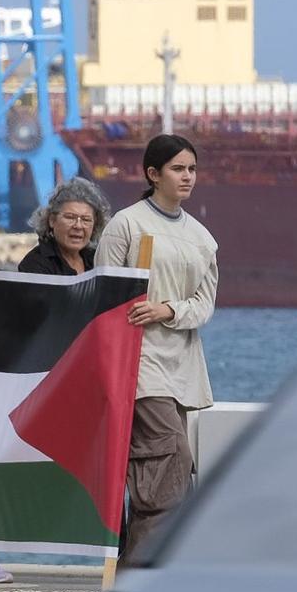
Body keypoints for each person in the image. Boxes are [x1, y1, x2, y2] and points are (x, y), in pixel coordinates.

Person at [0, 176, 116, 586]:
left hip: (81, 383)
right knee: (14, 464)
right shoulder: (36, 263)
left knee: (76, 469)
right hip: (39, 381)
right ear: (51, 221)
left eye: (86, 219)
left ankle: (119, 550)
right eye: (69, 218)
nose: (78, 226)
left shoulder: (100, 261)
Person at [95, 135, 218, 564]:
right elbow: (103, 292)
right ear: (152, 174)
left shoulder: (203, 239)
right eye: (178, 169)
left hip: (183, 367)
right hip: (139, 364)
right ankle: (140, 578)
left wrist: (168, 309)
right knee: (168, 462)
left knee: (166, 476)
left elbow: (204, 305)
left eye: (192, 169)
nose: (187, 177)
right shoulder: (126, 225)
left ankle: (143, 570)